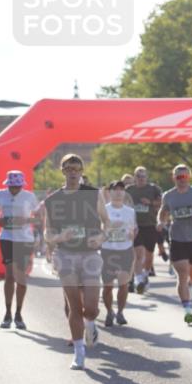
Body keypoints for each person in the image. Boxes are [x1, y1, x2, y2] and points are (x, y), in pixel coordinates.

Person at [43, 154, 109, 370]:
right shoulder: (52, 200)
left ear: (81, 171)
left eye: (76, 168)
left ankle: (90, 325)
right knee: (74, 306)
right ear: (62, 171)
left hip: (89, 254)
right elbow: (47, 232)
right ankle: (79, 352)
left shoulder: (93, 194)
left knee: (90, 308)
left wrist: (100, 237)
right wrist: (58, 238)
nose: (72, 172)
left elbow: (107, 223)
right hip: (66, 255)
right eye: (68, 168)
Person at [157, 164, 192, 324]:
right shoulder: (168, 196)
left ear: (189, 177)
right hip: (176, 238)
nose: (181, 180)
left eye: (184, 177)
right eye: (178, 177)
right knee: (182, 275)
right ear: (173, 178)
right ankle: (187, 309)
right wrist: (160, 222)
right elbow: (162, 212)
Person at [0, 170, 40, 329]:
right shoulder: (0, 194)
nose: (14, 189)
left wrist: (25, 219)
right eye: (12, 186)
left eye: (17, 186)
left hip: (24, 239)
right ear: (7, 184)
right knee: (9, 275)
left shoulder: (29, 196)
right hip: (6, 237)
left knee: (21, 277)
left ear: (22, 185)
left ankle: (19, 313)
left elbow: (39, 217)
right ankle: (7, 313)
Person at [100, 181, 137, 327]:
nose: (118, 192)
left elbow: (133, 230)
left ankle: (120, 312)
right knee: (108, 286)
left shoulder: (130, 211)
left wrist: (130, 234)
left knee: (123, 285)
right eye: (115, 189)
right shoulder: (103, 210)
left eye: (121, 189)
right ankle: (109, 311)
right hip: (108, 250)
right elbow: (98, 229)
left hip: (125, 250)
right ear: (109, 192)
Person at [127, 166, 163, 294]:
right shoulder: (129, 190)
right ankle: (138, 281)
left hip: (150, 225)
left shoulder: (153, 189)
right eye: (138, 176)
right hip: (135, 226)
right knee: (138, 254)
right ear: (134, 177)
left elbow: (162, 204)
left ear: (146, 177)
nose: (141, 178)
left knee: (148, 256)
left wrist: (150, 202)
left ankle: (145, 276)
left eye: (143, 176)